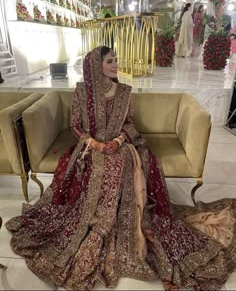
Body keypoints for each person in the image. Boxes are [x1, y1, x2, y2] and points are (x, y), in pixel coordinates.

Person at [6, 46, 236, 291]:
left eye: (116, 60)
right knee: (96, 169)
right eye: (110, 61)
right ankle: (98, 220)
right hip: (90, 147)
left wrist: (117, 141)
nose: (116, 65)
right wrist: (92, 142)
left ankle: (124, 221)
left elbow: (129, 124)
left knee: (122, 165)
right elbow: (75, 125)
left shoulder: (124, 92)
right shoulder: (82, 92)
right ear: (96, 65)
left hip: (121, 145)